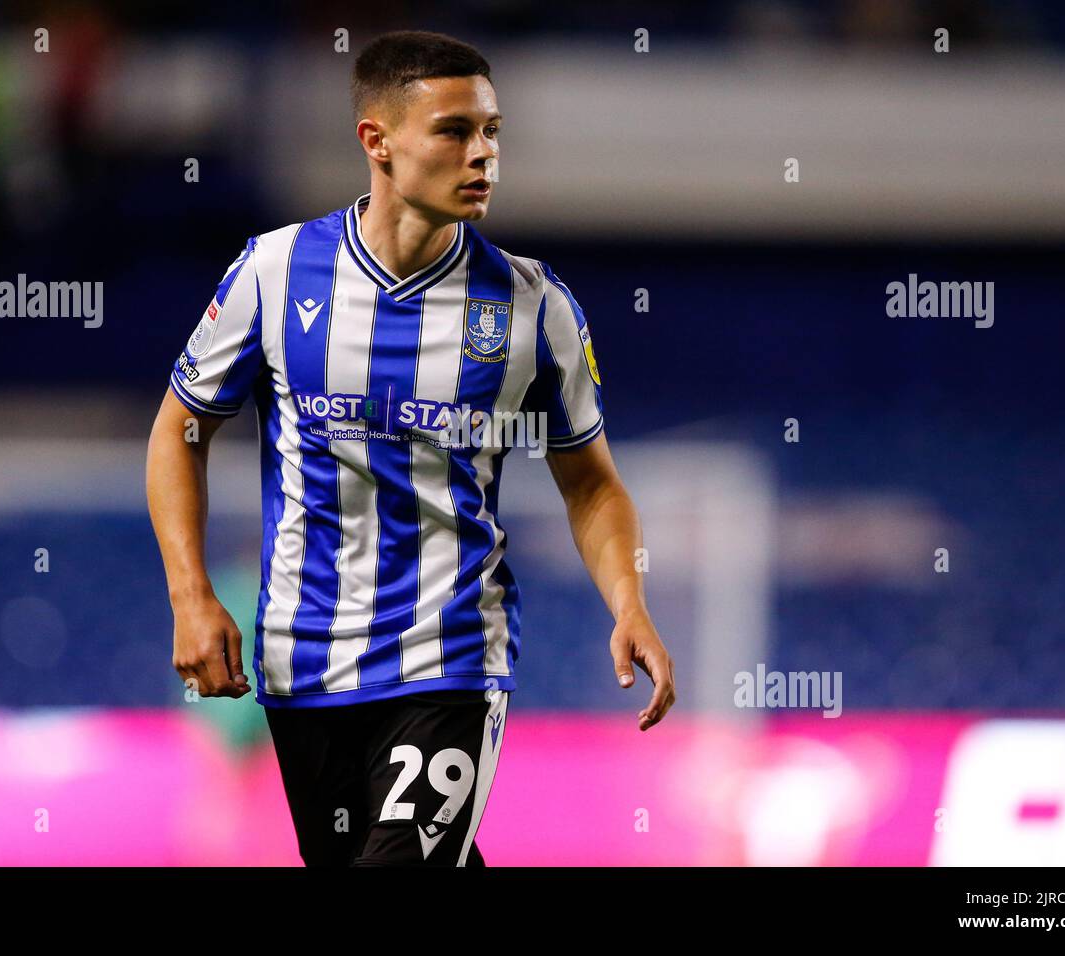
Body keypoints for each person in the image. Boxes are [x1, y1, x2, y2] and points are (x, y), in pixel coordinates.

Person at [146, 30, 675, 867]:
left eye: (492, 132)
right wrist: (190, 593)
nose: (484, 155)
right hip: (303, 657)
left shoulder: (535, 308)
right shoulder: (275, 273)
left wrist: (629, 602)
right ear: (377, 142)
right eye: (455, 132)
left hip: (452, 650)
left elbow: (591, 483)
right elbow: (180, 431)